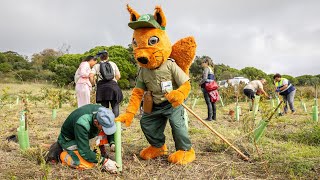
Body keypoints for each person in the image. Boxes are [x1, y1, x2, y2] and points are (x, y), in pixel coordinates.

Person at [57, 104, 118, 173]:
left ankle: (93, 150)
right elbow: (84, 152)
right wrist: (104, 161)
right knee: (88, 164)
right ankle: (63, 153)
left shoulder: (104, 113)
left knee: (92, 156)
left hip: (85, 136)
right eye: (104, 128)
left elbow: (109, 126)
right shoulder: (82, 123)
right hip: (69, 140)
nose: (105, 130)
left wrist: (112, 142)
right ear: (96, 122)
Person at [90, 50, 123, 150]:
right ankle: (115, 141)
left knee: (105, 116)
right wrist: (114, 80)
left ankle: (109, 140)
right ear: (107, 57)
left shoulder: (97, 66)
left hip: (103, 89)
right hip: (113, 88)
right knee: (116, 115)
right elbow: (118, 76)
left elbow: (91, 75)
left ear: (100, 58)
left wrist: (93, 83)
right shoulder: (113, 64)